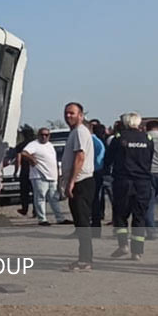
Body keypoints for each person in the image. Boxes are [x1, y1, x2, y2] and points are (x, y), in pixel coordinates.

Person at [106, 112, 154, 261]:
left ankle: (123, 245)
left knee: (120, 215)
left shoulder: (118, 139)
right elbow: (150, 158)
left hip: (123, 181)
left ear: (125, 123)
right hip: (143, 182)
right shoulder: (148, 138)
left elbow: (108, 159)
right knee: (139, 217)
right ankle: (137, 252)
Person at [60, 102, 95, 271]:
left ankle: (85, 260)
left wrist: (71, 182)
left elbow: (80, 157)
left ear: (81, 115)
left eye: (72, 113)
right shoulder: (74, 132)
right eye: (66, 113)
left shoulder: (80, 132)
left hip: (82, 182)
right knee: (79, 222)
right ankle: (84, 257)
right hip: (78, 181)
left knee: (82, 222)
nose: (68, 116)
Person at [19, 127, 68, 226]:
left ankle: (60, 218)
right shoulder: (34, 144)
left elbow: (53, 161)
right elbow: (24, 153)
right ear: (38, 135)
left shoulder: (50, 145)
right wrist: (31, 159)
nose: (44, 137)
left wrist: (58, 176)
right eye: (42, 134)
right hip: (39, 176)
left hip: (52, 176)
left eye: (46, 135)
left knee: (54, 198)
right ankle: (42, 219)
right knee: (40, 197)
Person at [89, 121, 108, 238]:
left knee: (93, 200)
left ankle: (95, 228)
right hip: (98, 172)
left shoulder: (94, 141)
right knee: (96, 199)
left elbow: (99, 159)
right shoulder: (100, 141)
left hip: (94, 173)